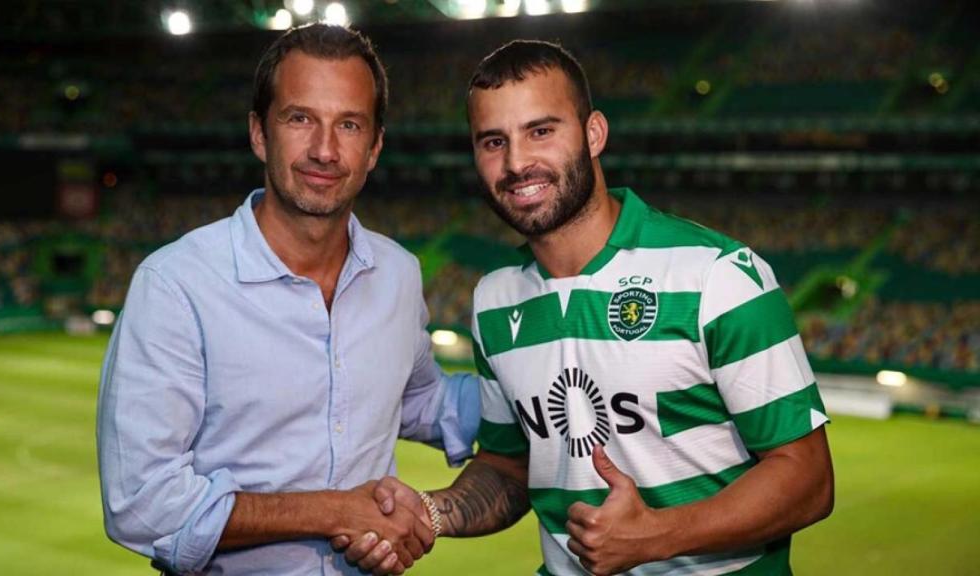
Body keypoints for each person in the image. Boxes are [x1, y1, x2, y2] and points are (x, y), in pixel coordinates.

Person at [340, 40, 834, 575]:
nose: (517, 162)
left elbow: (808, 480)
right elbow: (510, 467)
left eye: (541, 131)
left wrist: (658, 535)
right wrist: (431, 513)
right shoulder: (495, 299)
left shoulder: (717, 275)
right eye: (492, 141)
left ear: (594, 133)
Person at [96, 24, 480, 576]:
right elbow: (142, 504)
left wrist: (538, 381)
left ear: (374, 147)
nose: (324, 150)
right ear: (259, 133)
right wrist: (333, 511)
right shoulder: (176, 285)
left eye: (348, 124)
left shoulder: (398, 272)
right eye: (300, 118)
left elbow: (421, 400)